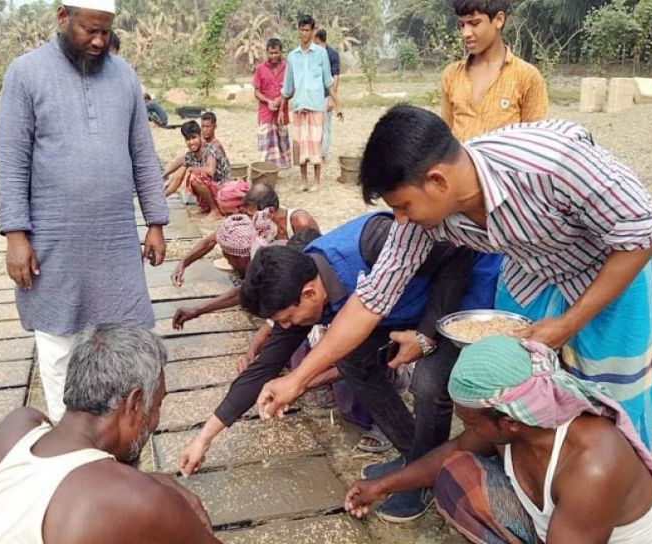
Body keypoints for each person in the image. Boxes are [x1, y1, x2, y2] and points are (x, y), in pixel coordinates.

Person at [256, 105, 652, 450]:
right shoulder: (422, 219)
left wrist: (570, 322)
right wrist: (296, 379)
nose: (399, 219)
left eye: (402, 206)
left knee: (614, 400)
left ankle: (624, 491)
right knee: (521, 391)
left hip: (608, 270)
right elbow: (371, 301)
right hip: (531, 275)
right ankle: (547, 480)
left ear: (436, 180)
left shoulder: (549, 164)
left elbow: (643, 233)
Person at [179, 213, 502, 522]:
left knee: (429, 384)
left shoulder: (373, 243)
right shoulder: (297, 287)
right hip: (395, 310)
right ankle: (415, 457)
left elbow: (456, 251)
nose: (288, 327)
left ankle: (424, 481)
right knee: (352, 360)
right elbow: (263, 369)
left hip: (459, 293)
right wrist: (204, 438)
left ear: (309, 293)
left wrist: (426, 334)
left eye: (289, 319)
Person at [0, 0, 168, 423]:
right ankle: (68, 441)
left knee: (122, 339)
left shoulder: (124, 76)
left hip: (113, 238)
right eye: (89, 30)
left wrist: (156, 222)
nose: (98, 40)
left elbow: (142, 154)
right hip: (55, 238)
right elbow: (12, 158)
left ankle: (119, 434)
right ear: (62, 18)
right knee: (58, 344)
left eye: (105, 32)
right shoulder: (25, 73)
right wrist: (15, 235)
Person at [345, 335, 652, 543]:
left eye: (469, 421)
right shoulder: (522, 426)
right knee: (457, 472)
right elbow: (457, 450)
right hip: (567, 531)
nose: (466, 430)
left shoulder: (593, 465)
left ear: (509, 423)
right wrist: (381, 487)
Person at [0, 324, 220, 544]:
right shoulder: (141, 501)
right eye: (158, 404)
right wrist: (172, 507)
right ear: (135, 403)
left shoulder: (19, 427)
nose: (156, 420)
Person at [171, 184, 319, 330]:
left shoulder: (299, 223)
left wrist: (198, 310)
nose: (248, 219)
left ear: (271, 211)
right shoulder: (257, 226)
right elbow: (211, 240)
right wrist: (184, 262)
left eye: (250, 215)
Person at [442, 0, 548, 141]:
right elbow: (444, 139)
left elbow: (535, 142)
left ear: (499, 20)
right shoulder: (451, 75)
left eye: (474, 23)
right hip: (460, 163)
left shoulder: (527, 76)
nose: (465, 33)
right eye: (462, 25)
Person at [277, 14, 339, 192]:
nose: (304, 33)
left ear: (313, 32)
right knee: (301, 144)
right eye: (302, 29)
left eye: (308, 30)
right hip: (299, 107)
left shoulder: (321, 54)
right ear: (298, 31)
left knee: (315, 144)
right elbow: (287, 88)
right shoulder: (292, 56)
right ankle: (303, 181)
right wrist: (282, 110)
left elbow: (328, 81)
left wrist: (337, 104)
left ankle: (317, 181)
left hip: (316, 107)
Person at [163, 120, 232, 221]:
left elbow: (210, 171)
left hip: (224, 190)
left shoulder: (210, 150)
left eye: (194, 138)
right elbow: (178, 171)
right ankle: (207, 207)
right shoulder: (192, 155)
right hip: (215, 189)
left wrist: (192, 169)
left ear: (200, 136)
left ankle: (215, 211)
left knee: (194, 177)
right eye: (188, 139)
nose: (191, 142)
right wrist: (164, 177)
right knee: (186, 171)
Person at [253, 38, 291, 169]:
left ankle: (280, 168)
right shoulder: (260, 69)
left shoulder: (287, 68)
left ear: (281, 52)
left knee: (281, 142)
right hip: (265, 113)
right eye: (271, 53)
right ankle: (265, 168)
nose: (274, 56)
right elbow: (256, 92)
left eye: (276, 53)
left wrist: (280, 99)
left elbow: (291, 90)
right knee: (265, 144)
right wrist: (268, 101)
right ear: (267, 53)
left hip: (281, 112)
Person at [313, 28, 342, 161]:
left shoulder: (332, 54)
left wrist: (332, 98)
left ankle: (323, 154)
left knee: (326, 126)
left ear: (318, 39)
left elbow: (335, 77)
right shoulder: (314, 54)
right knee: (315, 126)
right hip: (315, 96)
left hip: (326, 95)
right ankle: (315, 152)